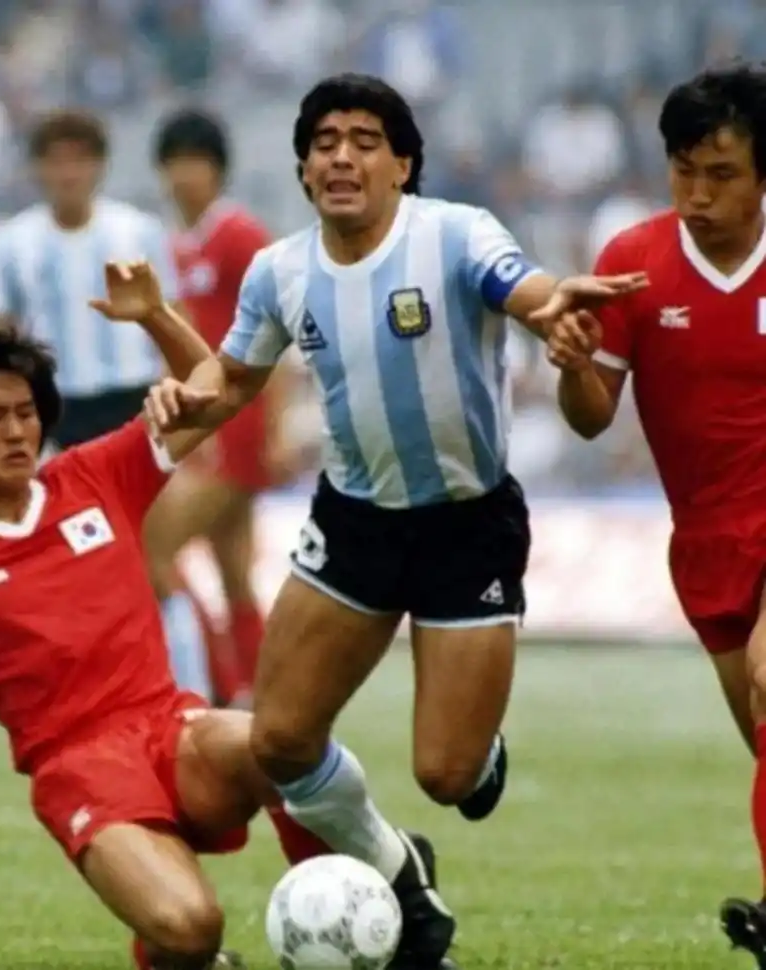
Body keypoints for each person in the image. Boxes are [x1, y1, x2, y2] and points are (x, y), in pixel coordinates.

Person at [129, 73, 647, 965]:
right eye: (324, 141)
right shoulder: (281, 271)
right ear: (301, 169)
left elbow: (524, 290)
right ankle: (396, 869)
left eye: (366, 140)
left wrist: (556, 308)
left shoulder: (453, 234)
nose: (342, 156)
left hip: (466, 524)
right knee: (281, 741)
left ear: (403, 163)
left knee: (446, 774)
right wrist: (186, 394)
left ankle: (477, 754)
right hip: (355, 522)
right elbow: (236, 377)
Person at [0, 269, 443, 970]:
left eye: (26, 411)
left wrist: (157, 315)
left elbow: (217, 395)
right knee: (191, 928)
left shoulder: (96, 476)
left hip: (171, 728)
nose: (17, 431)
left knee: (281, 743)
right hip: (80, 772)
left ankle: (354, 902)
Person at [543, 63, 766, 966]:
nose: (698, 194)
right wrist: (569, 360)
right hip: (708, 540)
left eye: (721, 174)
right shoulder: (631, 262)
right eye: (684, 172)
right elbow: (593, 417)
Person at [0, 109, 213, 703]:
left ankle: (191, 698)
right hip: (55, 414)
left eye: (79, 160)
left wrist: (186, 408)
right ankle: (91, 694)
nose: (68, 173)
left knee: (154, 562)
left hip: (132, 405)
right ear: (39, 169)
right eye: (56, 161)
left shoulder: (136, 233)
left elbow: (174, 320)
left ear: (99, 167)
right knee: (68, 567)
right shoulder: (13, 244)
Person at [149, 108, 302, 707]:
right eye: (176, 163)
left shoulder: (239, 236)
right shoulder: (171, 247)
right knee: (233, 570)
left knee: (152, 550)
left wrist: (279, 430)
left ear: (217, 171)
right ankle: (262, 694)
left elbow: (281, 333)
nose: (185, 175)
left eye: (197, 162)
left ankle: (212, 686)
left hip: (235, 426)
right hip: (200, 425)